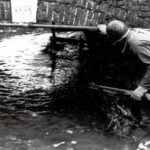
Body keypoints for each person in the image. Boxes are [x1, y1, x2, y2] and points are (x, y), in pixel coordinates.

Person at [97, 20, 150, 101]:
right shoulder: (133, 32)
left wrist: (142, 88)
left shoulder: (136, 43)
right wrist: (107, 31)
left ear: (119, 40)